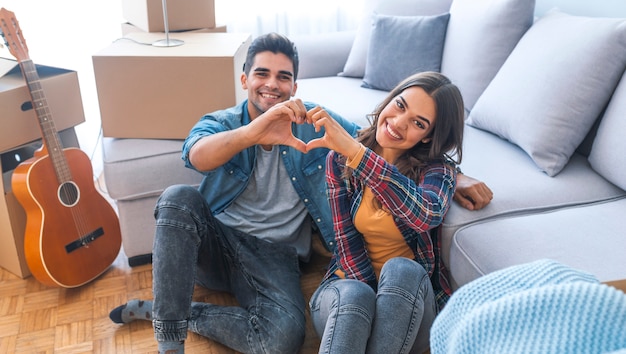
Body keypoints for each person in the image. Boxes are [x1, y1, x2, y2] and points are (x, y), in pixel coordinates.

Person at [108, 33, 492, 354]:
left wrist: (453, 175)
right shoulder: (223, 122)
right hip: (219, 244)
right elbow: (196, 156)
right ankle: (169, 335)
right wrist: (254, 133)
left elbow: (371, 138)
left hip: (277, 255)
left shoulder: (312, 121)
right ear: (244, 79)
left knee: (285, 338)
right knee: (177, 198)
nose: (272, 84)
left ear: (295, 85)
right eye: (262, 73)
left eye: (283, 77)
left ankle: (178, 311)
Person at [307, 71, 465, 354]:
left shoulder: (438, 171)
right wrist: (375, 316)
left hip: (411, 309)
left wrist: (359, 155)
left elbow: (426, 213)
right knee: (356, 295)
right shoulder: (340, 159)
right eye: (401, 105)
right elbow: (345, 242)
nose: (398, 123)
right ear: (391, 99)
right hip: (347, 303)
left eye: (418, 123)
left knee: (402, 269)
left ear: (428, 137)